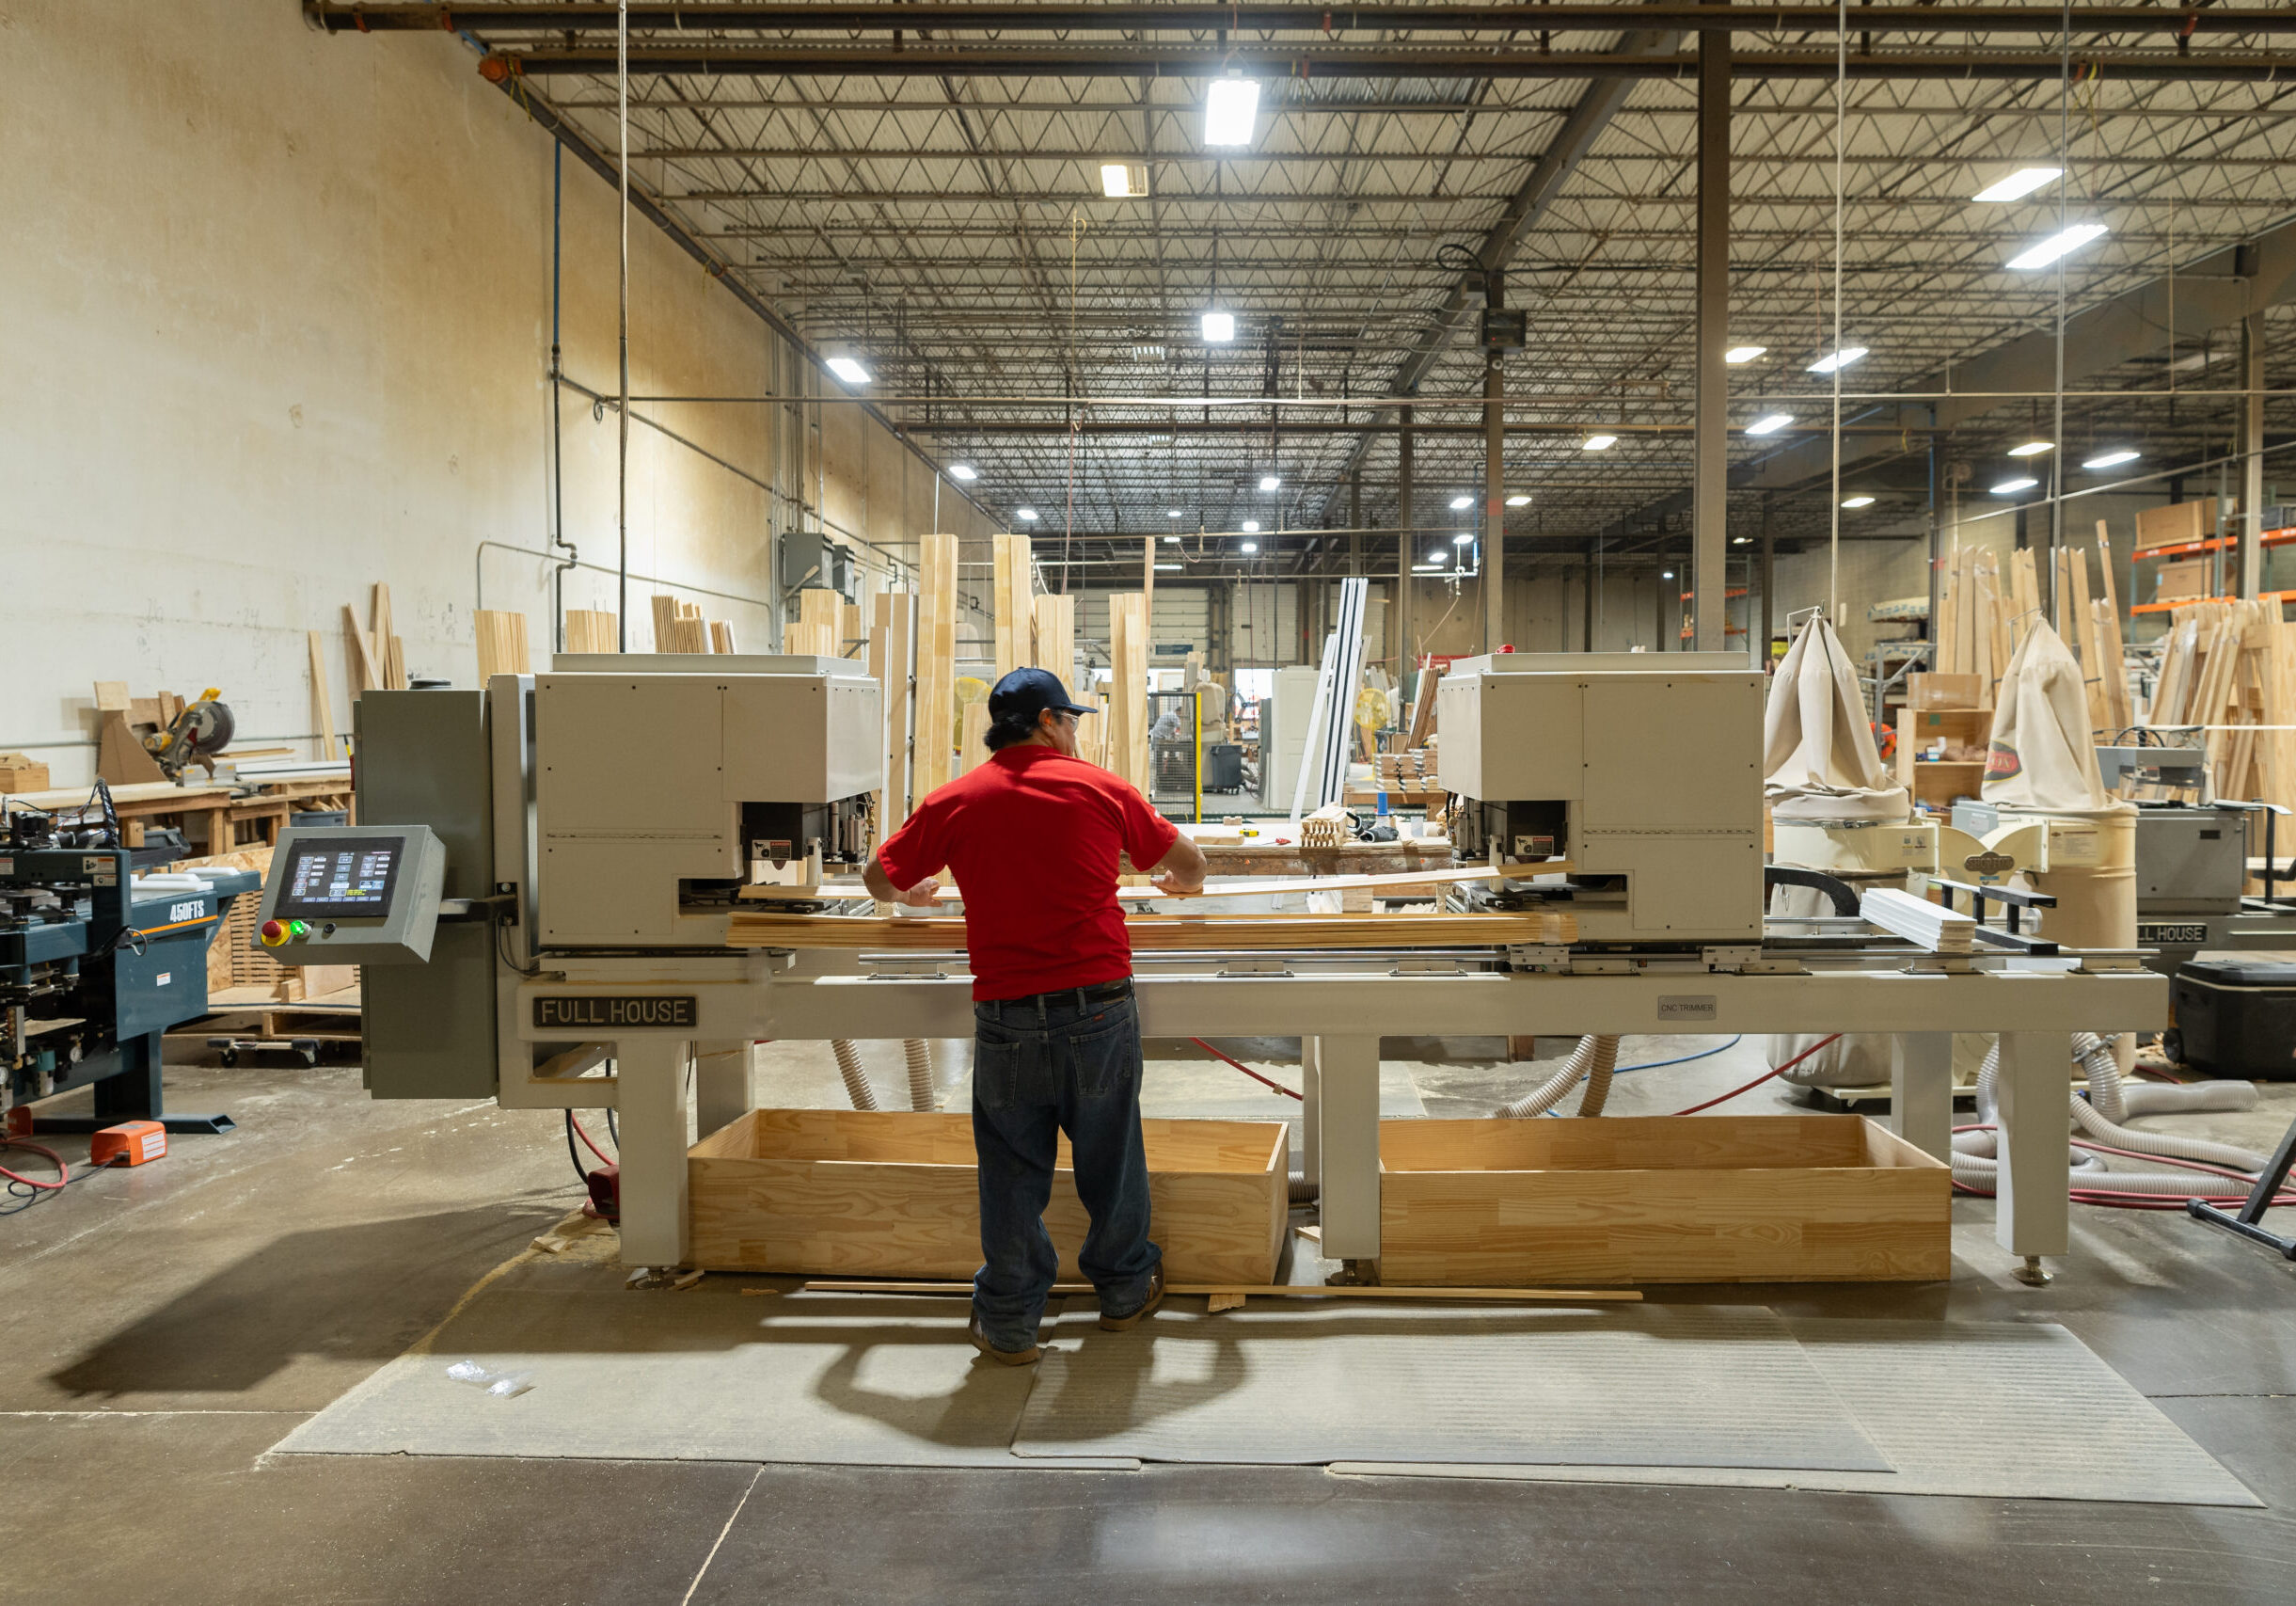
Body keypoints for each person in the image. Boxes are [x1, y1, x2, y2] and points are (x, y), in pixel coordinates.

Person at [864, 667, 1208, 1365]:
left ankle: (1011, 1322)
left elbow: (878, 877)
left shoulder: (956, 799)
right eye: (1072, 719)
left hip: (1006, 1014)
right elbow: (1191, 863)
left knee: (1013, 1169)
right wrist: (1177, 883)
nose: (1077, 732)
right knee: (1111, 1157)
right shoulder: (1101, 787)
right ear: (1049, 720)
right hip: (1099, 1007)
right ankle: (1122, 1291)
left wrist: (915, 893)